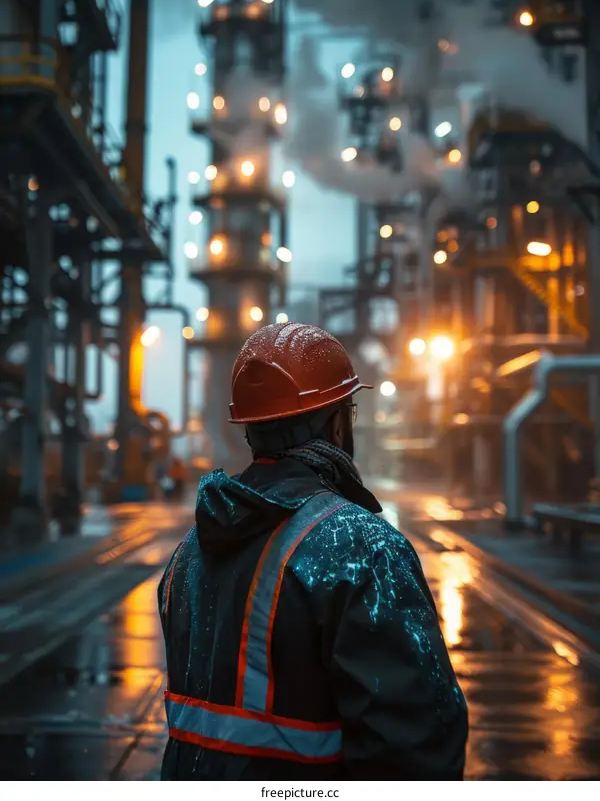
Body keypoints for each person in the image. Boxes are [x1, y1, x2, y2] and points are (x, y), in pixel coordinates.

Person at [158, 322, 468, 780]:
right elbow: (415, 745)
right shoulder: (362, 547)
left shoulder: (190, 551)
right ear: (337, 422)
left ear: (250, 428)